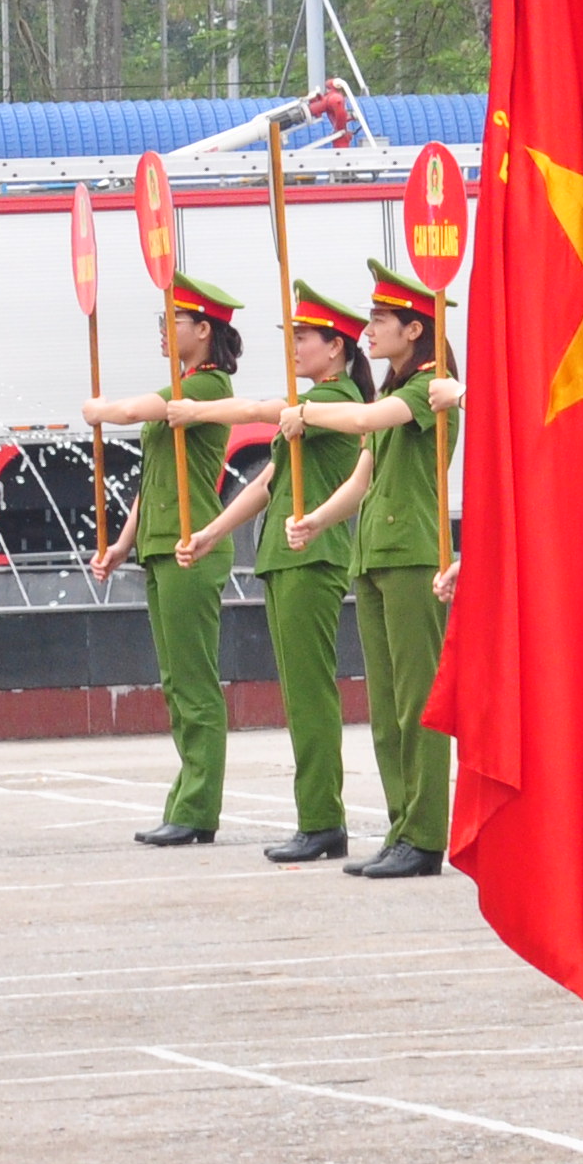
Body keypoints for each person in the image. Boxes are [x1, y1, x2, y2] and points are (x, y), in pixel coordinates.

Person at [170, 281, 373, 866]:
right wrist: (212, 532)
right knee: (299, 694)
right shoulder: (307, 411)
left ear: (336, 349)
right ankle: (316, 817)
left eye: (304, 338)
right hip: (286, 558)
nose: (295, 349)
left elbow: (262, 410)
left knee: (310, 696)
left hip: (314, 558)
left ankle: (322, 822)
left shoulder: (334, 405)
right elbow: (265, 485)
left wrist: (199, 409)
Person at [269, 264, 459, 879]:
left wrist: (306, 414)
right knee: (385, 707)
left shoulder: (430, 387)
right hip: (373, 554)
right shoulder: (393, 390)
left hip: (412, 557)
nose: (370, 330)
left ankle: (426, 834)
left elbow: (362, 423)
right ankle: (402, 825)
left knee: (417, 703)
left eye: (381, 321)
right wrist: (318, 521)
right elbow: (363, 477)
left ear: (414, 328)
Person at [86, 275, 243, 848]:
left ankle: (199, 808)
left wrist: (100, 408)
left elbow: (128, 412)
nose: (162, 331)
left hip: (191, 546)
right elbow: (153, 481)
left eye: (172, 322)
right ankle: (186, 800)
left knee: (194, 682)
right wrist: (124, 543)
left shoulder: (206, 387)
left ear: (204, 331)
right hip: (161, 544)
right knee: (176, 681)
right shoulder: (181, 388)